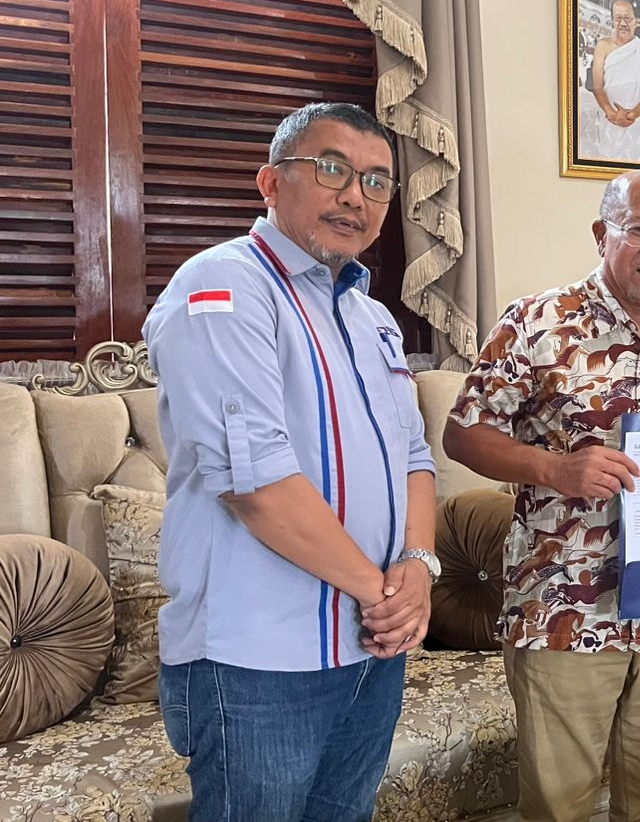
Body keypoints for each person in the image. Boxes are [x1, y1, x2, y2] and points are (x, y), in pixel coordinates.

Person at [143, 102, 439, 820]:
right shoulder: (222, 287)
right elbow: (257, 484)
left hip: (371, 650)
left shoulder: (372, 317)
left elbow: (414, 455)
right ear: (271, 182)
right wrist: (384, 595)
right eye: (331, 169)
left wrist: (419, 568)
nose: (355, 196)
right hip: (259, 661)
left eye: (376, 181)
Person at [444, 169, 640, 822]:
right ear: (603, 234)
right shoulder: (536, 323)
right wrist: (554, 469)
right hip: (563, 610)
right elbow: (462, 434)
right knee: (561, 806)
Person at [590, 0, 640, 162]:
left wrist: (632, 115)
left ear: (635, 21)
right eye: (618, 18)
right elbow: (597, 87)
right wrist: (612, 114)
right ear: (612, 21)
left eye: (627, 18)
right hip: (608, 120)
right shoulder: (603, 45)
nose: (623, 23)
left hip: (636, 123)